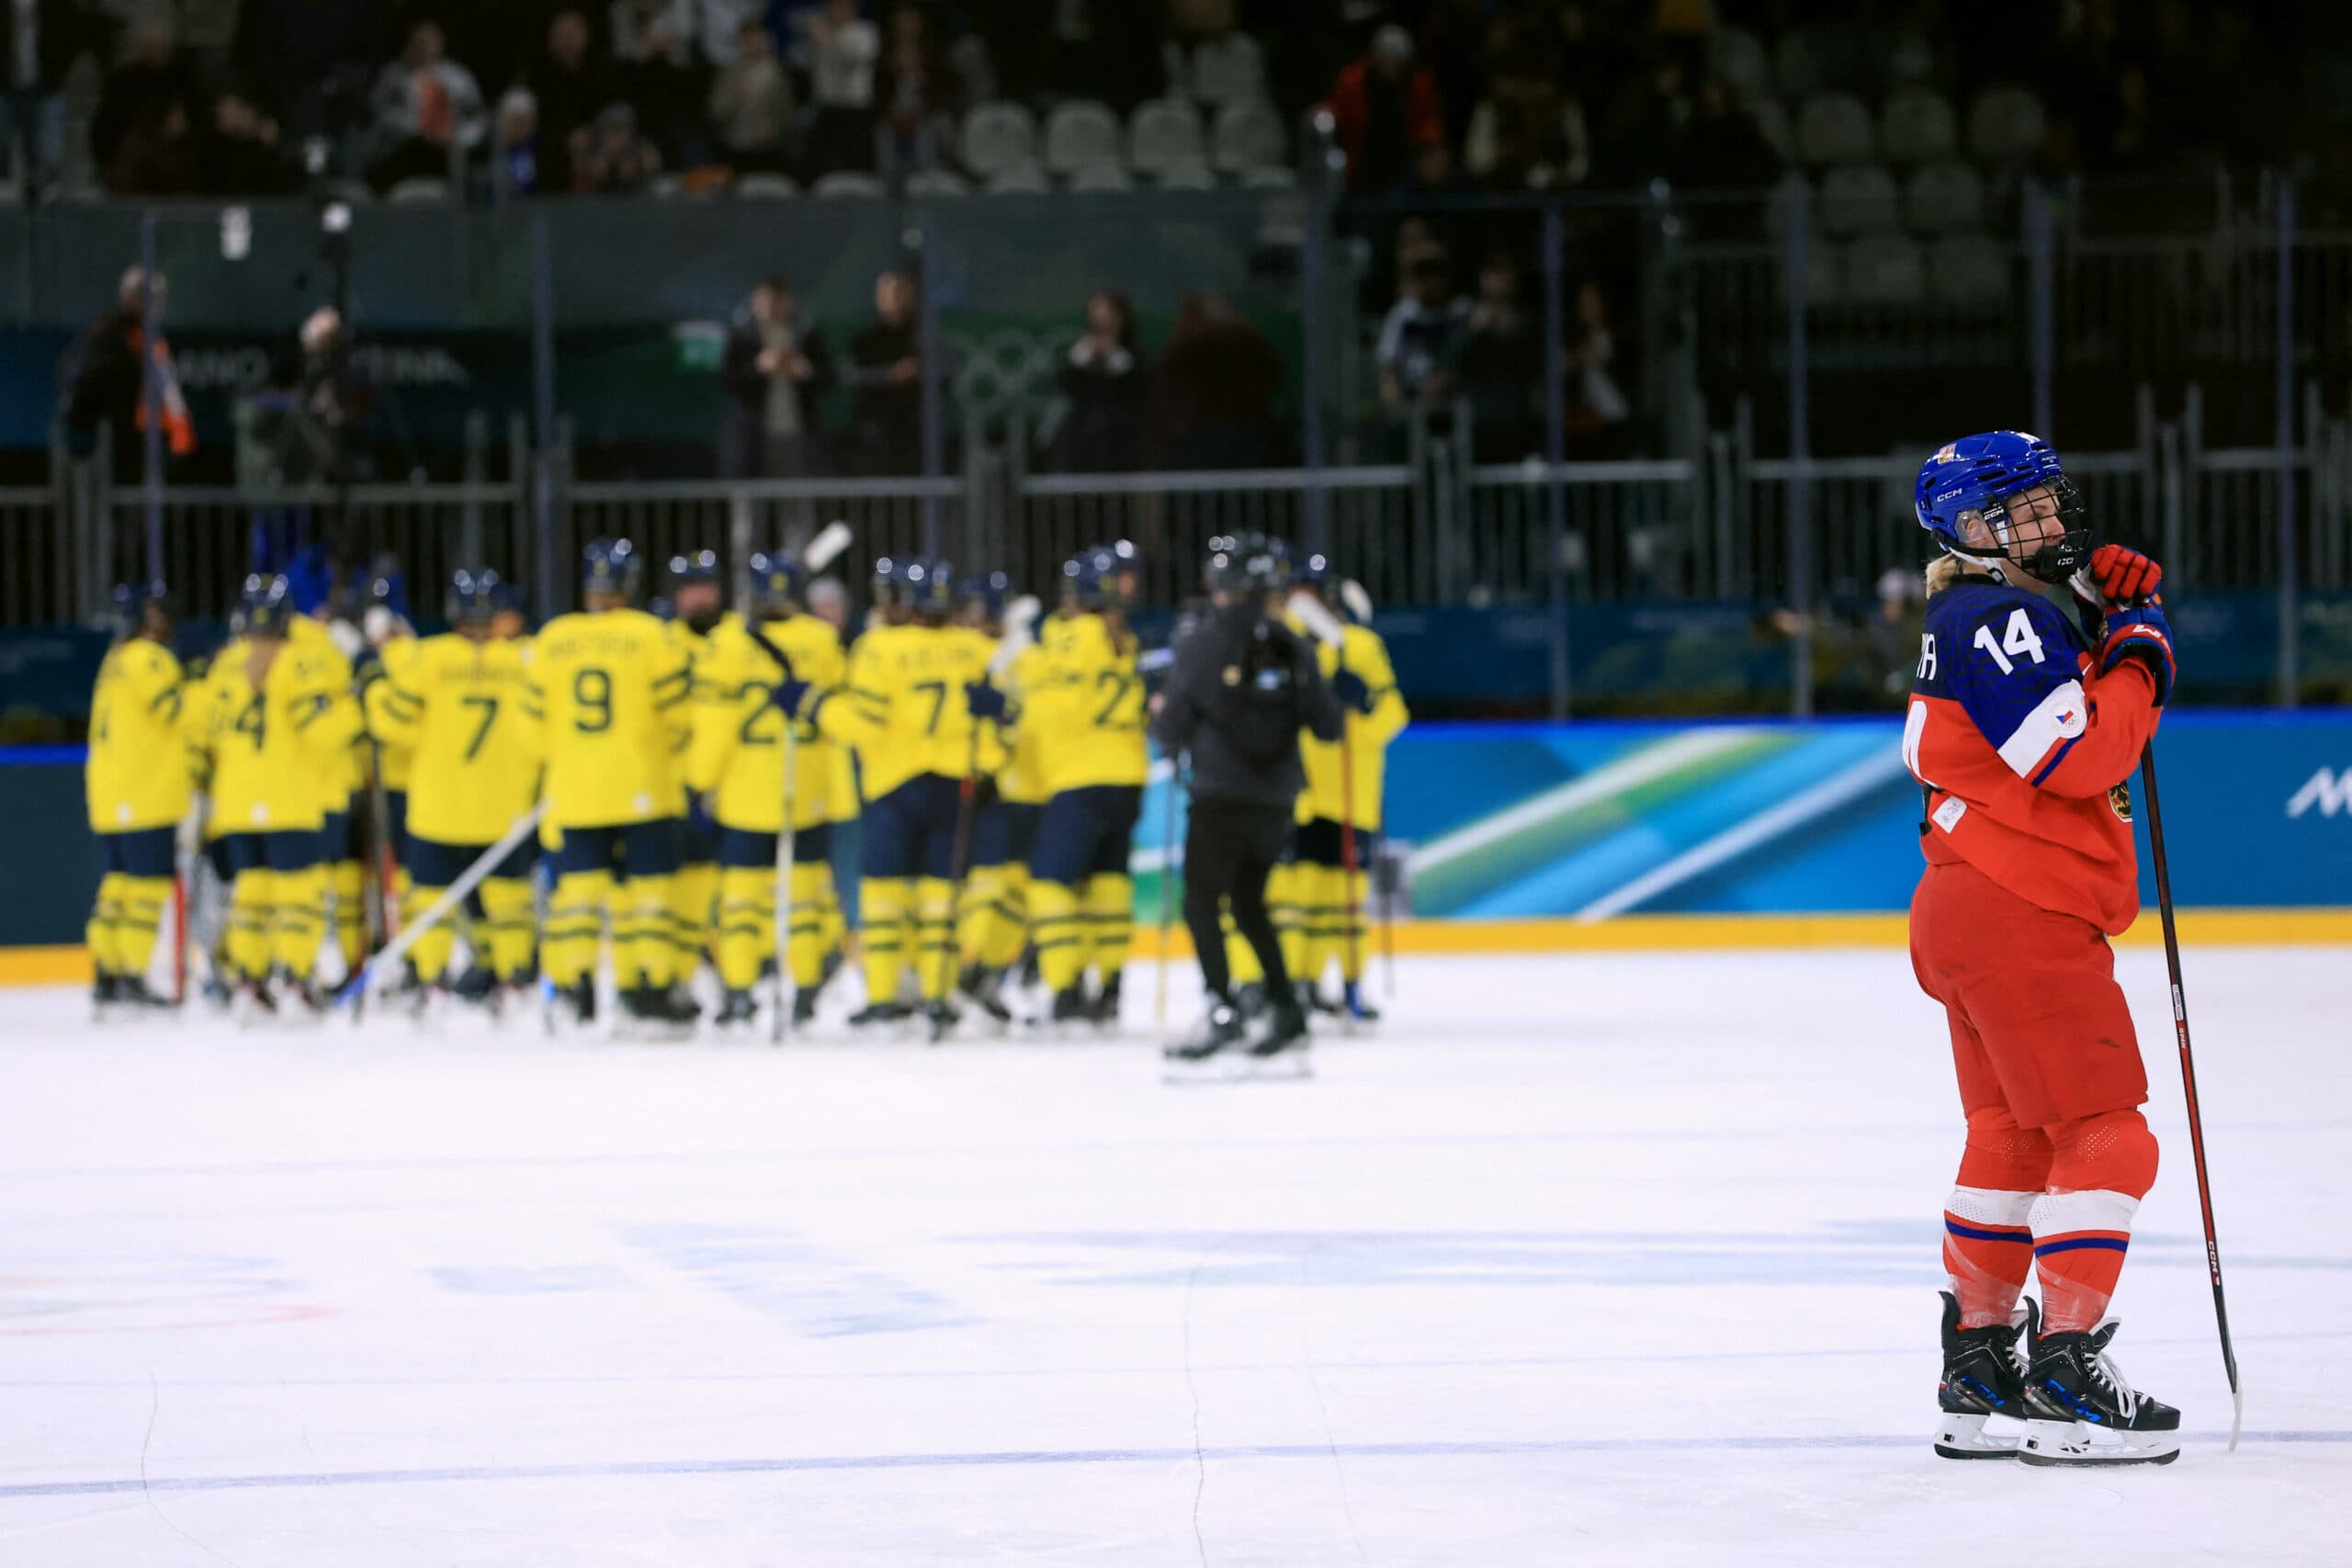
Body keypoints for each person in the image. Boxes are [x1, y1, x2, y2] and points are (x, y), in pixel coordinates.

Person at [1905, 432, 2182, 1466]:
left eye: (2050, 504)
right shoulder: (2000, 616)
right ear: (1975, 530)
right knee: (2110, 1136)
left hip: (1969, 904)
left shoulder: (1982, 610)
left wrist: (2108, 625)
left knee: (2012, 1139)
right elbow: (2075, 756)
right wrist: (2142, 650)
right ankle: (2068, 1374)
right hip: (2020, 909)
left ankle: (1977, 1368)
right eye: (2028, 511)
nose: (2054, 523)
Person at [771, 556, 996, 1038]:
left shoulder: (878, 648)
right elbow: (999, 720)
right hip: (955, 787)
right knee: (941, 899)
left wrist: (813, 704)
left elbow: (863, 726)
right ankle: (937, 995)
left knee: (884, 901)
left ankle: (885, 1000)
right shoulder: (972, 648)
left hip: (894, 786)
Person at [1150, 533, 1341, 1066]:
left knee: (1201, 902)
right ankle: (1286, 1009)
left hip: (1219, 794)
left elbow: (1170, 727)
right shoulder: (1293, 641)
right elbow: (1328, 726)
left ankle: (1222, 1008)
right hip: (1277, 800)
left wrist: (1165, 718)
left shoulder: (1202, 641)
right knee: (1251, 903)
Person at [526, 539, 699, 1032]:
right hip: (644, 786)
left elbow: (531, 725)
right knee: (646, 895)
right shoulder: (651, 635)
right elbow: (679, 716)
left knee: (578, 894)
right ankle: (648, 986)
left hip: (575, 789)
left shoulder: (553, 638)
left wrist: (560, 764)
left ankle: (574, 987)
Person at [363, 570, 541, 1015]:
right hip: (505, 807)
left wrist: (375, 691)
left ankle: (433, 985)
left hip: (439, 806)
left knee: (431, 902)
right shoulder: (524, 659)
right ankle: (515, 983)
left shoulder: (427, 658)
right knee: (509, 901)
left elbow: (393, 726)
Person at [686, 549, 849, 1029]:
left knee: (740, 899)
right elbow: (838, 713)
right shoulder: (822, 640)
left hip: (746, 791)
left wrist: (700, 783)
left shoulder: (729, 642)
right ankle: (803, 991)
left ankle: (738, 992)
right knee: (804, 898)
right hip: (807, 783)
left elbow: (715, 724)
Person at [195, 573, 363, 1018]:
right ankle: (296, 979)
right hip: (289, 797)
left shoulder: (226, 663)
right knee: (298, 894)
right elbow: (322, 732)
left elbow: (206, 730)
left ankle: (250, 982)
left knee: (251, 894)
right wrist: (354, 703)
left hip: (237, 803)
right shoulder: (300, 661)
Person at [1020, 545, 1148, 1028]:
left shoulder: (1075, 636)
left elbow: (1056, 706)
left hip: (1078, 775)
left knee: (1050, 885)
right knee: (1108, 883)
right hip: (1126, 776)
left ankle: (1064, 990)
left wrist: (1010, 705)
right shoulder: (1123, 638)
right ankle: (1109, 988)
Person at [1283, 556, 1408, 1022]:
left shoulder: (1360, 645)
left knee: (1347, 903)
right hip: (1300, 793)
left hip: (1351, 793)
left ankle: (1351, 986)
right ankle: (1299, 985)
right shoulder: (1286, 644)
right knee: (1301, 899)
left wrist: (1363, 707)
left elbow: (1395, 714)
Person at [85, 581, 191, 1012]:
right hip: (145, 793)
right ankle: (131, 973)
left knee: (117, 887)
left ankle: (107, 973)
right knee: (144, 890)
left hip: (110, 795)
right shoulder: (148, 658)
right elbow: (176, 710)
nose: (161, 620)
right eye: (153, 613)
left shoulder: (112, 661)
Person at [952, 572, 1037, 1024]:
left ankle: (986, 972)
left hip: (1014, 787)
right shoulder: (958, 653)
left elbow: (1029, 715)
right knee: (972, 888)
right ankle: (958, 972)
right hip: (966, 784)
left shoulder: (1020, 657)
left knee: (1010, 890)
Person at [62, 266, 194, 479]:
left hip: (147, 441)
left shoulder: (152, 340)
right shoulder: (109, 335)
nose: (155, 304)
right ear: (129, 297)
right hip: (115, 441)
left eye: (158, 297)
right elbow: (91, 386)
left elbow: (168, 392)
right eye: (147, 296)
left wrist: (180, 437)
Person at [665, 548, 727, 990]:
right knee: (688, 876)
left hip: (736, 777)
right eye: (690, 589)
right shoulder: (662, 644)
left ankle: (735, 968)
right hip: (680, 780)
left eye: (705, 586)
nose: (699, 597)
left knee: (736, 881)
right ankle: (687, 966)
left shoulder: (737, 640)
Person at [718, 277, 835, 480]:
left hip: (796, 436)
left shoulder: (806, 337)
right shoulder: (742, 338)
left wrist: (805, 371)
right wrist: (759, 367)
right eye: (765, 301)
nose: (771, 308)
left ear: (788, 302)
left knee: (796, 501)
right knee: (750, 503)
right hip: (753, 439)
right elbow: (730, 381)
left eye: (777, 301)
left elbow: (828, 381)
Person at [366, 17, 487, 192]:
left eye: (429, 41)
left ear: (441, 43)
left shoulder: (458, 76)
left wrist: (462, 139)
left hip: (448, 150)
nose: (424, 47)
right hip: (406, 149)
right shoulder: (395, 75)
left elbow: (477, 116)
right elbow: (379, 111)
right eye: (419, 42)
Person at [1323, 24, 1441, 195]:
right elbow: (1335, 111)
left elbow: (1427, 123)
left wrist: (1429, 149)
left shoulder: (1418, 84)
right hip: (1361, 157)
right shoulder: (1352, 82)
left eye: (1396, 60)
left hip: (1403, 157)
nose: (1390, 66)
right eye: (1386, 58)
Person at [1046, 290, 1147, 475]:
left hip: (1122, 444)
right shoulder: (1083, 353)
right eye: (1097, 318)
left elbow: (1138, 388)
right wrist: (1080, 360)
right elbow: (1066, 385)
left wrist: (1116, 358)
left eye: (1108, 318)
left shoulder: (1132, 357)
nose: (1102, 325)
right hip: (1082, 445)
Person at [844, 269, 922, 476]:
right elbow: (854, 376)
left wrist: (918, 371)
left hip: (916, 434)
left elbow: (945, 372)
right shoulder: (864, 341)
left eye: (902, 293)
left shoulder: (923, 339)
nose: (897, 300)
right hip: (876, 434)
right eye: (891, 293)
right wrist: (890, 375)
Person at [800, 0, 877, 174]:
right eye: (833, 6)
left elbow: (851, 63)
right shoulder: (822, 31)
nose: (835, 11)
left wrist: (829, 39)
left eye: (841, 6)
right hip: (827, 106)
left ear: (853, 9)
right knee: (821, 164)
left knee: (857, 163)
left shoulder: (865, 32)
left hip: (855, 108)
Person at [708, 16, 794, 172]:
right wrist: (735, 97)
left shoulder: (776, 73)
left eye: (758, 40)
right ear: (741, 43)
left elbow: (787, 112)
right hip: (735, 147)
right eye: (749, 41)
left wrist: (775, 127)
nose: (754, 46)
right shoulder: (729, 74)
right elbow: (716, 113)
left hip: (769, 149)